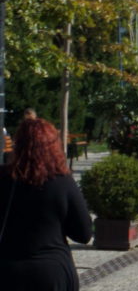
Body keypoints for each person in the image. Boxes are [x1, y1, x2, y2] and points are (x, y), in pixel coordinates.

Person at [0, 118, 92, 291]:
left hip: (8, 271)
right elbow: (84, 234)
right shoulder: (62, 182)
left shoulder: (3, 178)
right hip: (52, 271)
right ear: (53, 147)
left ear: (18, 145)